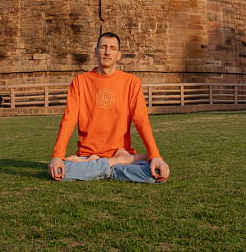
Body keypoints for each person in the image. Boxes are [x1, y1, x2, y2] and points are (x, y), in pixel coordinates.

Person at [48, 32, 170, 183]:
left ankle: (97, 167)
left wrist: (155, 156)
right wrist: (57, 157)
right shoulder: (80, 82)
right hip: (89, 154)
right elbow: (68, 119)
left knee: (156, 175)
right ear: (96, 51)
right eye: (103, 47)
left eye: (112, 48)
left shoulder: (131, 82)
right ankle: (115, 165)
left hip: (117, 152)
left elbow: (141, 120)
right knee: (61, 172)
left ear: (118, 55)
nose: (107, 52)